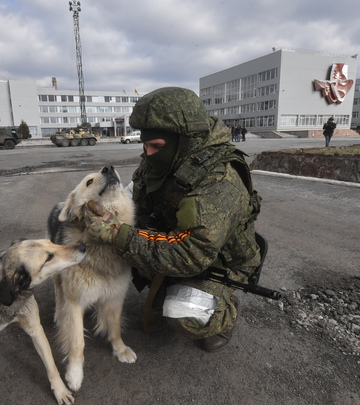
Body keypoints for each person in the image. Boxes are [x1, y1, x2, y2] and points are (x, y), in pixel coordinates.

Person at [83, 87, 262, 352]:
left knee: (183, 313)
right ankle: (168, 283)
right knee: (111, 248)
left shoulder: (219, 179)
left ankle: (223, 313)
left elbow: (191, 253)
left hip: (219, 261)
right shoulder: (160, 162)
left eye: (156, 146)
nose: (148, 153)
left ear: (185, 140)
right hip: (174, 239)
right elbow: (137, 203)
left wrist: (117, 234)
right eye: (145, 144)